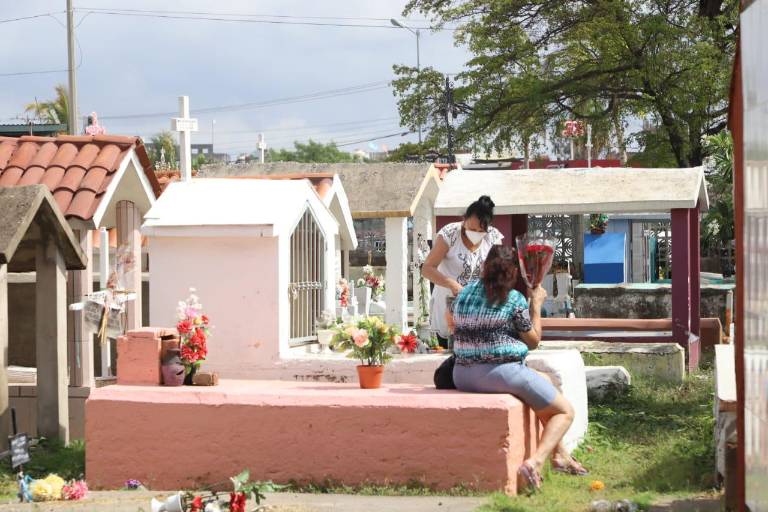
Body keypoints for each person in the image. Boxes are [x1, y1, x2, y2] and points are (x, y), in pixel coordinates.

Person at [447, 245, 587, 491]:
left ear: (484, 267)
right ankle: (536, 462)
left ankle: (561, 454)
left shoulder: (463, 294)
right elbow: (532, 342)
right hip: (498, 373)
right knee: (564, 411)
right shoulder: (513, 299)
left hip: (462, 373)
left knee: (544, 381)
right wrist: (536, 304)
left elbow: (454, 326)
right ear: (513, 272)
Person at [422, 195, 503, 346]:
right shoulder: (450, 234)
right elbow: (427, 269)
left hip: (478, 310)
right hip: (448, 307)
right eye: (471, 229)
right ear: (464, 219)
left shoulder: (492, 237)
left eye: (480, 231)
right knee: (449, 352)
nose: (475, 233)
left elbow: (496, 273)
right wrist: (451, 284)